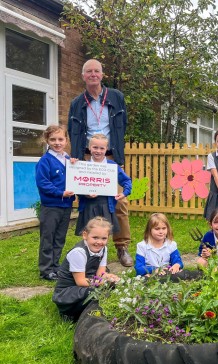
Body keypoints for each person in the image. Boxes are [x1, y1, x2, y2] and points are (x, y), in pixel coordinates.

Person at [68, 59, 133, 267]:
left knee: (118, 201)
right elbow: (73, 131)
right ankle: (90, 248)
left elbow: (122, 127)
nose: (93, 74)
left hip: (110, 156)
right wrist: (77, 156)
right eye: (89, 71)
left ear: (102, 75)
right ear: (83, 76)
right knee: (90, 202)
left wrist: (119, 159)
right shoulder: (77, 103)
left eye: (97, 71)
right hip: (87, 157)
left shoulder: (116, 97)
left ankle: (121, 246)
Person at [52, 217, 120, 321]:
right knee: (97, 291)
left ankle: (100, 312)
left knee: (113, 286)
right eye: (95, 237)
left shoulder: (103, 249)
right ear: (85, 235)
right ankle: (70, 314)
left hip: (86, 285)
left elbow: (100, 274)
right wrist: (103, 282)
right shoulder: (79, 252)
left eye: (103, 238)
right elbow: (80, 281)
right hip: (69, 293)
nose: (99, 242)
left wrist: (109, 277)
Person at [35, 125, 76, 281]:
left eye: (61, 139)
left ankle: (55, 265)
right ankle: (46, 270)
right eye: (53, 139)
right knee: (48, 237)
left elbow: (76, 178)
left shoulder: (68, 159)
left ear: (66, 140)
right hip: (51, 206)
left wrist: (75, 165)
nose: (57, 142)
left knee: (59, 237)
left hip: (66, 206)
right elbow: (43, 183)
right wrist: (60, 193)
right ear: (47, 140)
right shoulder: (45, 161)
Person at [74, 134, 132, 237]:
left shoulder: (112, 166)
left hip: (106, 205)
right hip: (88, 205)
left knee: (104, 234)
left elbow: (126, 181)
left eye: (102, 148)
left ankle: (102, 252)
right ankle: (88, 253)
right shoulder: (82, 166)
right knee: (88, 234)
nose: (98, 151)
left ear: (106, 149)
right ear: (89, 147)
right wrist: (85, 194)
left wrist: (125, 193)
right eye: (95, 147)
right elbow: (76, 185)